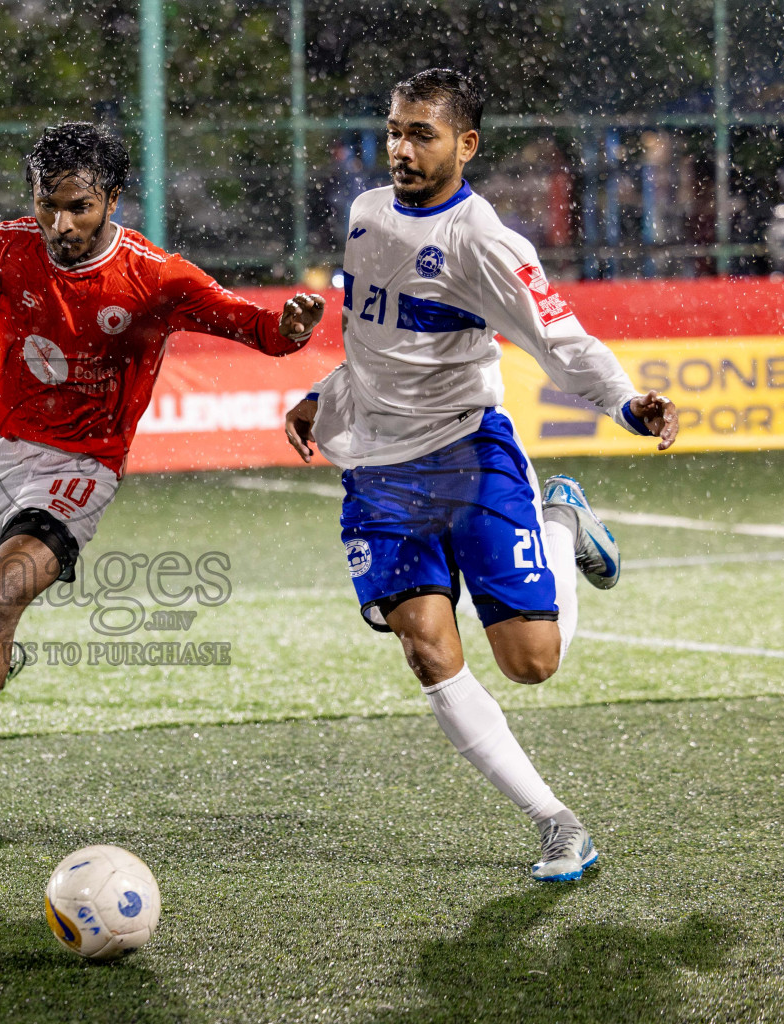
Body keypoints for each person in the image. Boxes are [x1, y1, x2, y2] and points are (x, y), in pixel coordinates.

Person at [0, 121, 326, 841]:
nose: (61, 225)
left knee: (4, 593)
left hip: (80, 465)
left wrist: (293, 326)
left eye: (79, 207)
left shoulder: (158, 276)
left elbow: (259, 331)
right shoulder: (5, 250)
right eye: (48, 206)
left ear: (112, 200)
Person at [284, 69, 677, 883]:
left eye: (420, 133)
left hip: (468, 457)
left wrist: (625, 402)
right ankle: (556, 822)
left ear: (465, 144)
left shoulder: (484, 241)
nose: (401, 147)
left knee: (531, 662)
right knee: (426, 647)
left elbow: (558, 340)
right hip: (380, 475)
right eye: (394, 130)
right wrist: (323, 400)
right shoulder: (363, 215)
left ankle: (561, 521)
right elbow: (370, 339)